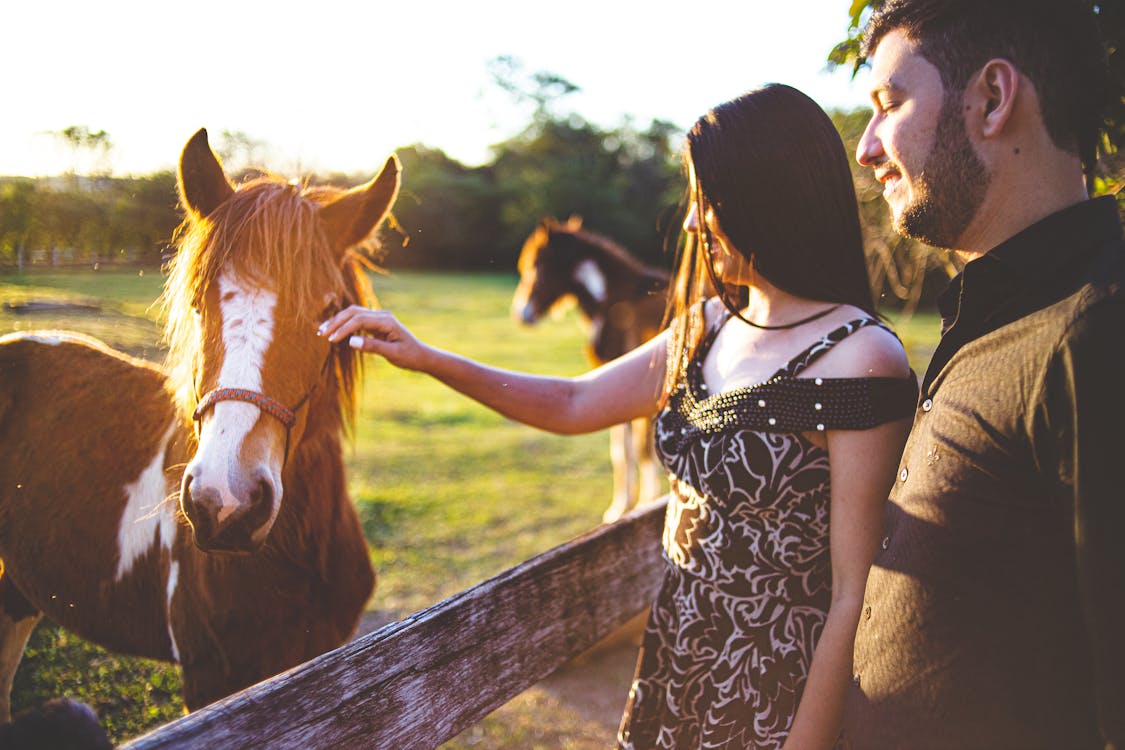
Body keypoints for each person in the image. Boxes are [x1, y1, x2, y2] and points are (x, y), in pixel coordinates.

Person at [320, 84, 917, 749]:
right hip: (675, 663)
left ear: (765, 197)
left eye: (705, 201)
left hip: (779, 691)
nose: (691, 223)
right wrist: (427, 357)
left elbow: (851, 593)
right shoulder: (708, 325)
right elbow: (574, 403)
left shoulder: (859, 358)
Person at [844, 1, 1125, 748]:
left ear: (992, 99)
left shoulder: (1095, 336)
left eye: (888, 104)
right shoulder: (992, 317)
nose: (867, 148)